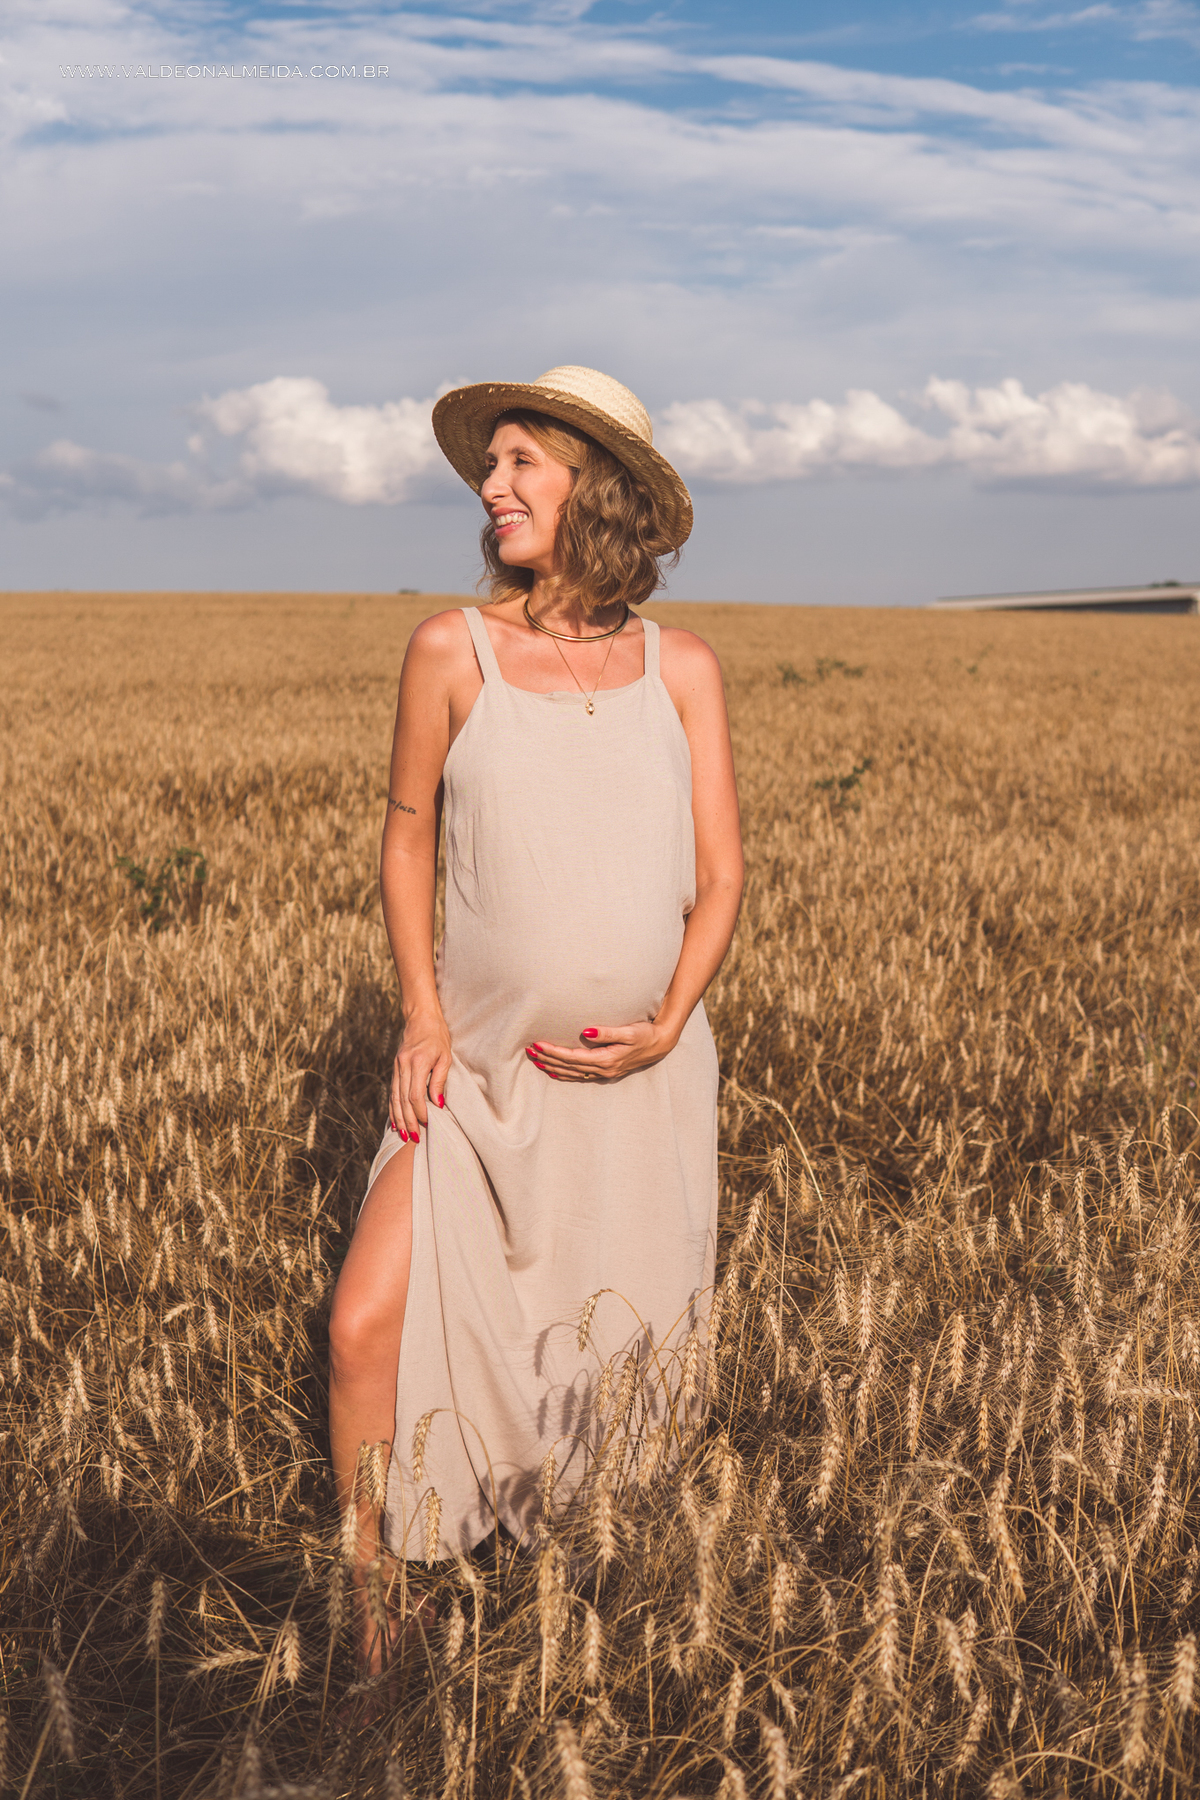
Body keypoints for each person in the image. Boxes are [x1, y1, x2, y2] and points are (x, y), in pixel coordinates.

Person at [326, 365, 744, 1673]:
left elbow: (723, 873)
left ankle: (582, 1642)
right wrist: (420, 1020)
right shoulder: (450, 650)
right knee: (360, 1330)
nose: (491, 489)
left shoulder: (684, 670)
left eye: (520, 464)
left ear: (594, 490)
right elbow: (405, 847)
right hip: (475, 1073)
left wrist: (674, 1021)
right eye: (489, 468)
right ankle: (374, 1621)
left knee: (604, 1369)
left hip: (632, 1090)